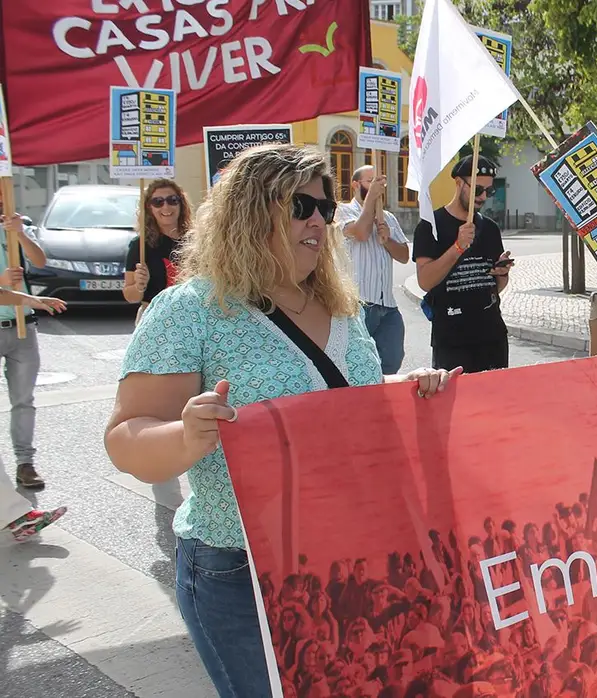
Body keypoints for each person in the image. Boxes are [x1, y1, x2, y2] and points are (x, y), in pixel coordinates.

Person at [103, 143, 460, 698]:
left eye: (326, 204)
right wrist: (186, 434)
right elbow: (126, 436)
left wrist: (404, 390)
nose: (321, 218)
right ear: (252, 212)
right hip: (238, 573)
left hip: (346, 561)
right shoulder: (192, 310)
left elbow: (344, 399)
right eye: (302, 206)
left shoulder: (343, 308)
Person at [412, 156, 513, 373]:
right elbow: (425, 281)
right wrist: (458, 247)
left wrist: (502, 274)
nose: (484, 196)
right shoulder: (431, 226)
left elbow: (495, 287)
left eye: (489, 191)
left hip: (493, 337)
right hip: (452, 340)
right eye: (477, 190)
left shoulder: (490, 228)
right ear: (459, 183)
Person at [1, 196, 52, 490]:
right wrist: (2, 277)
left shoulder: (19, 224)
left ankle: (25, 463)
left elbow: (39, 260)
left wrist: (19, 233)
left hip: (22, 326)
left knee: (23, 402)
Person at [338, 165, 410, 375]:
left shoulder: (388, 217)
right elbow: (360, 232)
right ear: (355, 184)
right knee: (359, 366)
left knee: (392, 361)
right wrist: (371, 199)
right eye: (370, 182)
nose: (378, 187)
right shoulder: (342, 211)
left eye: (380, 183)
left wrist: (387, 240)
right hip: (359, 304)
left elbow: (404, 256)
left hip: (387, 304)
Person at [124, 179, 192, 323]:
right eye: (158, 202)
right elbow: (131, 297)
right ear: (149, 208)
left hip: (190, 318)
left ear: (181, 204)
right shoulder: (141, 245)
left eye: (172, 200)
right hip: (154, 319)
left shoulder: (196, 241)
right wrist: (139, 285)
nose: (166, 207)